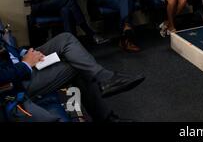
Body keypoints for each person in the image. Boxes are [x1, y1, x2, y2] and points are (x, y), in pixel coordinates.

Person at [0, 31, 145, 121]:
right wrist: (25, 64)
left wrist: (23, 53)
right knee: (76, 66)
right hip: (15, 83)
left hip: (18, 61)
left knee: (65, 39)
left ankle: (104, 77)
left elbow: (6, 47)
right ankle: (106, 113)